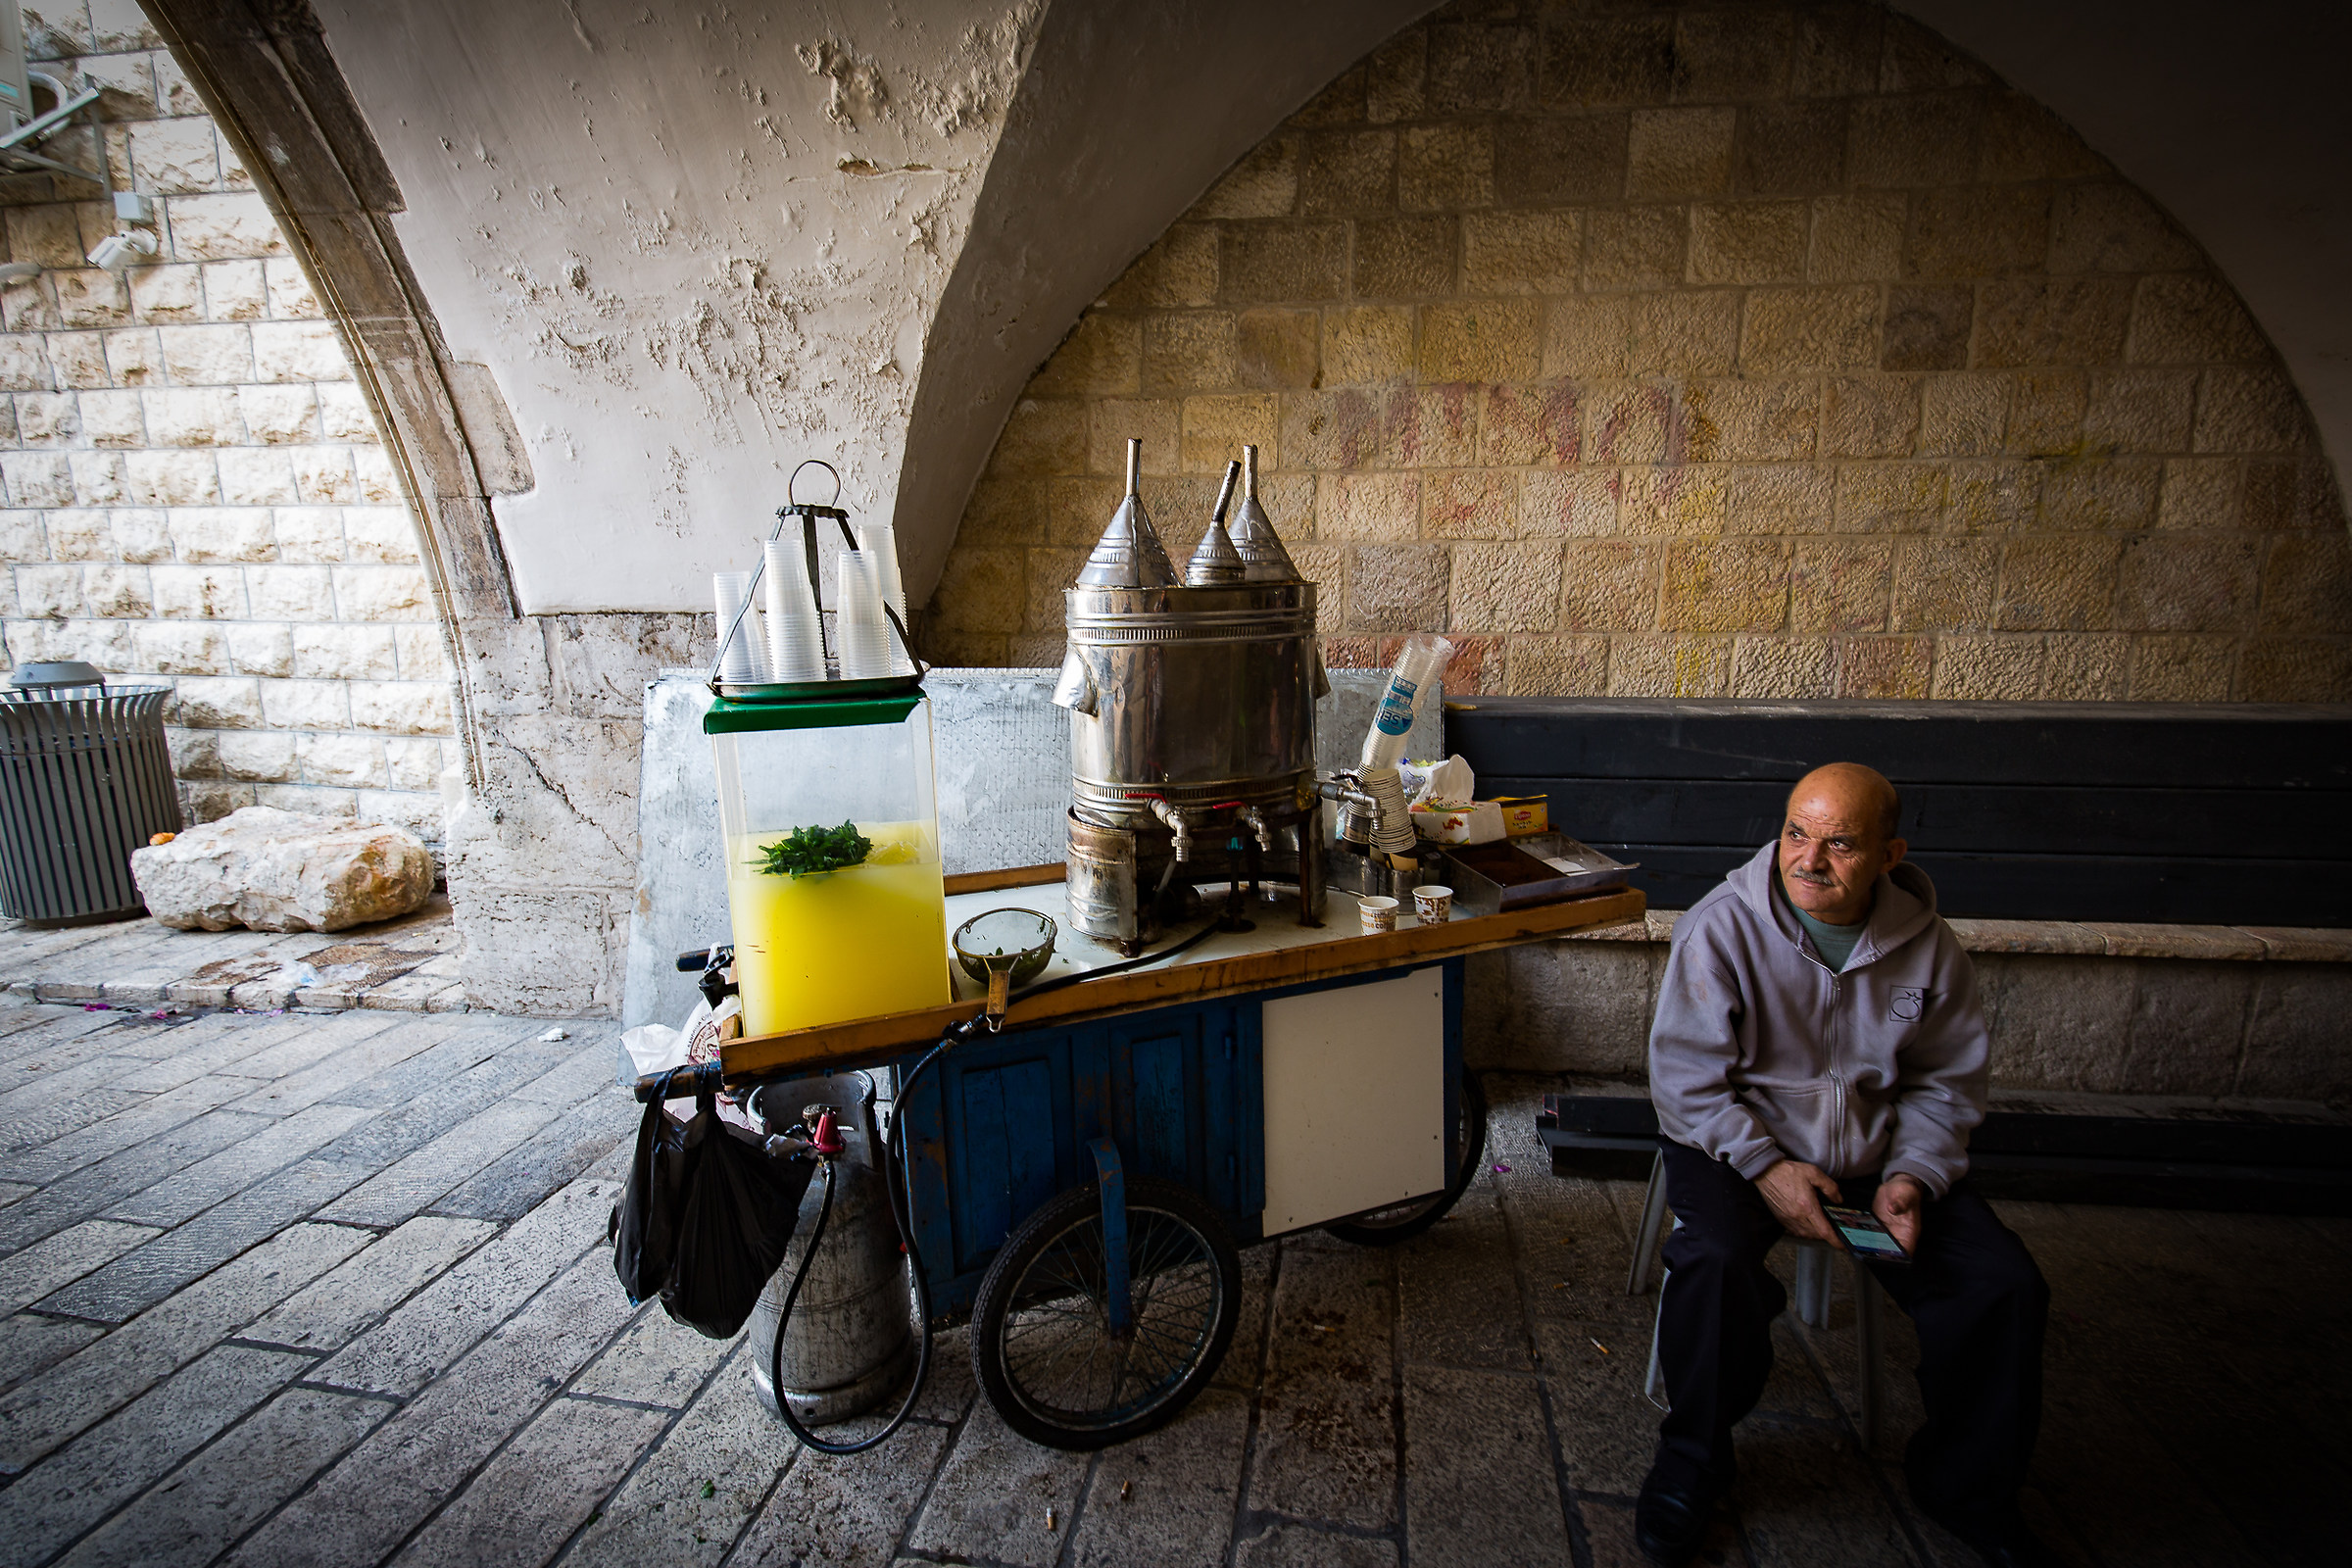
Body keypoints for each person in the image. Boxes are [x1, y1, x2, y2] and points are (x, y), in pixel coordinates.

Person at [1636, 762, 2051, 1568]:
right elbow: (1685, 1080)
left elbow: (1945, 1083)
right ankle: (1693, 1459)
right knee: (1714, 1264)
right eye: (1796, 832)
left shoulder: (1929, 949)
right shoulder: (1721, 927)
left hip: (1872, 1154)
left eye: (1840, 844)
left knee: (2003, 1285)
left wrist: (1913, 1176)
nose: (1807, 860)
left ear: (1890, 855)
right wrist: (1767, 1168)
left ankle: (1965, 1486)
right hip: (1735, 1144)